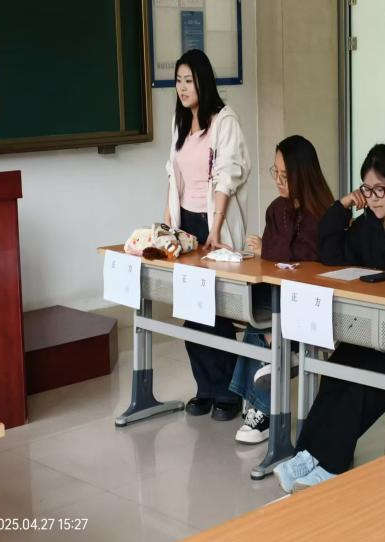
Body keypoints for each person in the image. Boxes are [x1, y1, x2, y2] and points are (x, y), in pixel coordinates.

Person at [273, 142, 385, 492]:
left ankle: (332, 464)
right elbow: (332, 254)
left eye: (380, 189)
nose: (373, 198)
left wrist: (368, 280)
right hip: (378, 327)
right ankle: (306, 454)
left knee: (360, 382)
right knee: (338, 370)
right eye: (367, 190)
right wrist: (342, 207)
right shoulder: (368, 219)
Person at [230, 135, 335, 444]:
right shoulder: (277, 209)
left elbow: (303, 256)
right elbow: (275, 256)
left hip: (311, 302)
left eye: (285, 175)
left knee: (261, 322)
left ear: (303, 174)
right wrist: (271, 250)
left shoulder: (323, 212)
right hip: (278, 296)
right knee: (257, 313)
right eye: (274, 172)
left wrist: (270, 249)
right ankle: (279, 357)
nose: (278, 180)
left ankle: (262, 411)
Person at [164, 49, 250, 421]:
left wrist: (214, 230)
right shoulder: (180, 123)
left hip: (213, 224)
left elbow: (227, 177)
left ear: (203, 81)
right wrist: (165, 226)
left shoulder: (224, 121)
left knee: (216, 312)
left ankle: (229, 392)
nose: (183, 88)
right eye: (178, 81)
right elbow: (173, 178)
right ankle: (206, 387)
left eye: (189, 80)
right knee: (192, 312)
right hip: (185, 226)